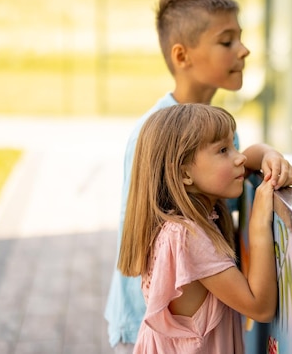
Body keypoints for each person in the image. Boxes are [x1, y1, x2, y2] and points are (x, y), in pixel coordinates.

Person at [104, 0, 292, 353]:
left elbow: (225, 175)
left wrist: (265, 154)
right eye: (227, 41)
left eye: (240, 38)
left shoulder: (209, 130)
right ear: (182, 55)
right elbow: (143, 231)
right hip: (161, 323)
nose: (243, 50)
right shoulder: (156, 135)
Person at [117, 103, 278, 353]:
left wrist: (271, 157)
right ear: (185, 174)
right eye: (223, 150)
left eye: (232, 146)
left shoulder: (183, 220)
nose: (240, 157)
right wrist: (259, 223)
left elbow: (251, 157)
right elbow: (261, 307)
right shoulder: (186, 236)